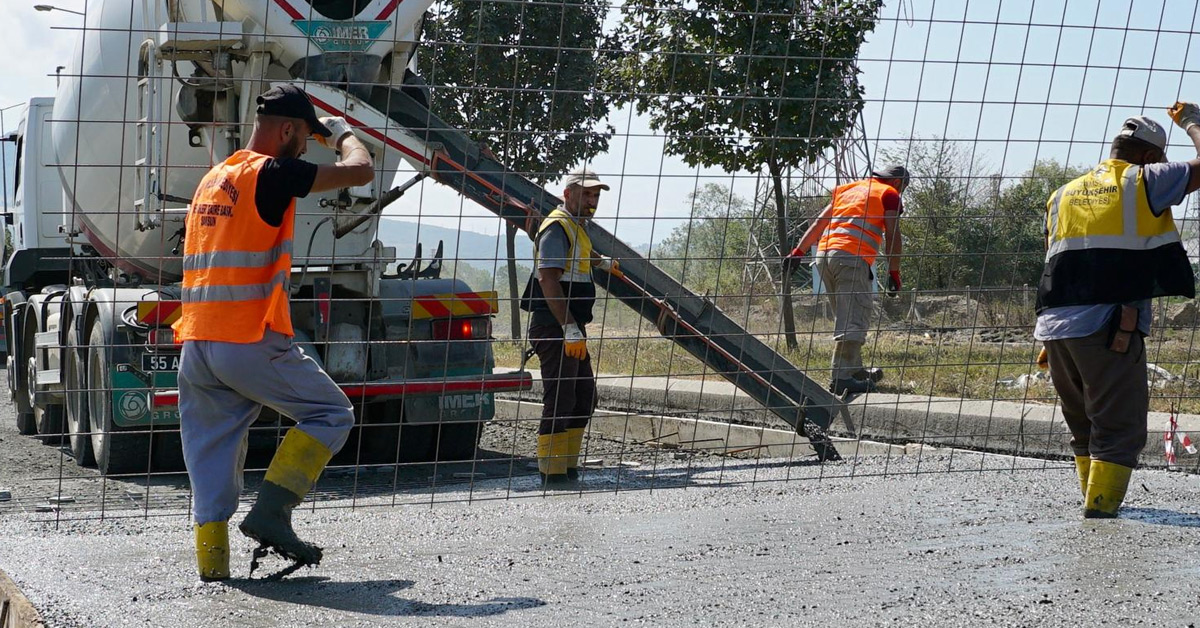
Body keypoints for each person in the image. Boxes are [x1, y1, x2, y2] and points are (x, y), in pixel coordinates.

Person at [173, 84, 375, 580]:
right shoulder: (274, 172)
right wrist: (341, 132)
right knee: (331, 412)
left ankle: (213, 568)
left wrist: (313, 130)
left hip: (197, 344)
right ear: (287, 130)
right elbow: (361, 170)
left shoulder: (216, 178)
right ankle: (271, 514)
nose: (305, 146)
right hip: (247, 338)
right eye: (302, 136)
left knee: (211, 452)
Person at [1036, 109, 1200, 518]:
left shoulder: (1061, 195)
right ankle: (1101, 514)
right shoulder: (1143, 180)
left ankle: (1094, 503)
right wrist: (1194, 123)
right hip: (1108, 327)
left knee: (1084, 426)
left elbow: (1053, 263)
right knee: (1118, 427)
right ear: (1148, 156)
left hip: (1055, 328)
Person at [520, 167, 621, 486]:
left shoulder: (577, 227)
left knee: (583, 397)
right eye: (586, 194)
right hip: (555, 327)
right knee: (561, 397)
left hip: (570, 326)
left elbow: (579, 257)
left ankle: (568, 467)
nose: (592, 201)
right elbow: (548, 279)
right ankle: (552, 473)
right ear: (568, 194)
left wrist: (600, 262)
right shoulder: (557, 227)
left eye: (596, 195)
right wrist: (568, 327)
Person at [786, 165, 910, 395]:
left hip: (824, 257)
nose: (900, 195)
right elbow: (893, 234)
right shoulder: (889, 194)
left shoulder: (848, 189)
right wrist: (894, 272)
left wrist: (798, 252)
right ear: (896, 183)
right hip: (851, 258)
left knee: (846, 314)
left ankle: (855, 370)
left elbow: (818, 224)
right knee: (855, 316)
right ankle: (841, 377)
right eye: (902, 189)